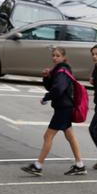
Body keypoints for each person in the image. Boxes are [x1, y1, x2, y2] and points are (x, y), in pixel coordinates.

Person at [21, 47, 87, 176]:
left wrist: (46, 97)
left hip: (63, 109)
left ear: (64, 58)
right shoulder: (59, 70)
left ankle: (38, 165)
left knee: (48, 136)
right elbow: (51, 86)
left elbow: (59, 88)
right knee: (70, 136)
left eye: (57, 55)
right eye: (53, 55)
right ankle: (80, 165)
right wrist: (47, 77)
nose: (54, 58)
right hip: (65, 107)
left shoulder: (62, 71)